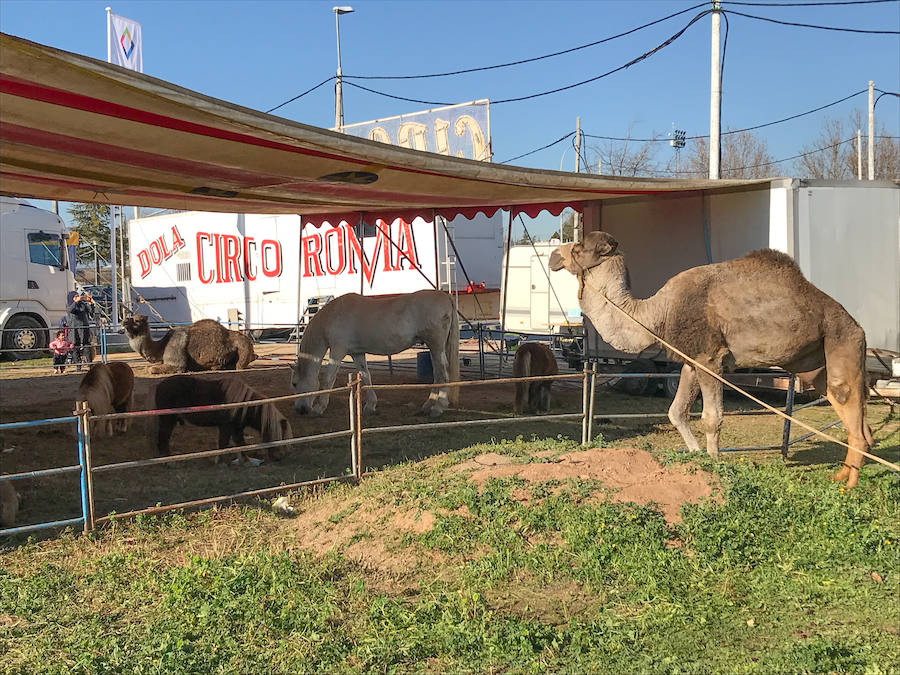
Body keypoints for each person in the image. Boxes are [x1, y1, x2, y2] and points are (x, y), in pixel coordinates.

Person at [66, 293, 95, 371]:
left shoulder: (83, 304)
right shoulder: (69, 305)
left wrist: (90, 302)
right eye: (75, 296)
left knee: (87, 345)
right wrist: (75, 302)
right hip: (74, 328)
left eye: (78, 296)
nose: (78, 297)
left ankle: (89, 364)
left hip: (84, 327)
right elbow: (70, 310)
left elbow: (91, 311)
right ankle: (78, 365)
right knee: (75, 346)